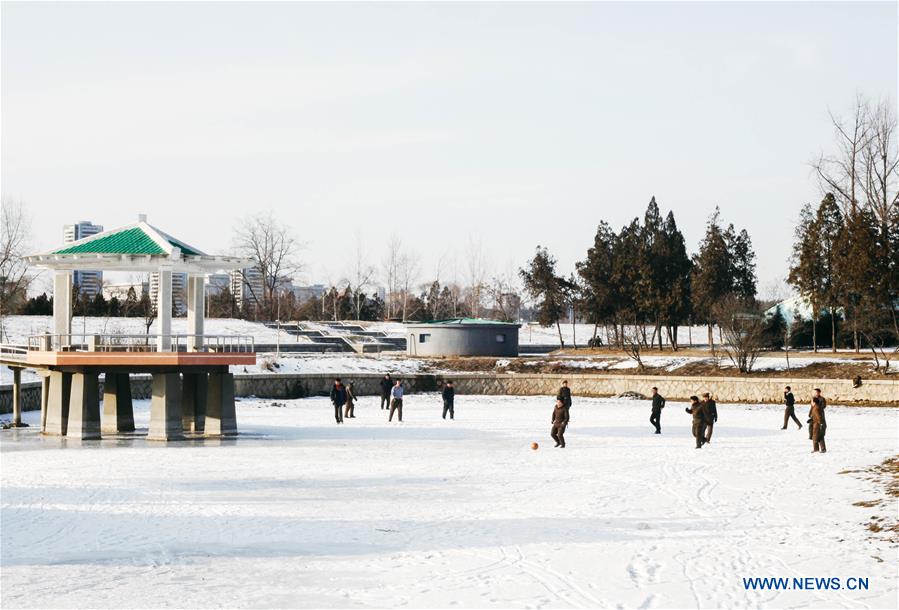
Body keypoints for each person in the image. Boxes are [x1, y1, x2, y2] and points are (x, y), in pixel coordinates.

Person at [810, 388, 827, 453]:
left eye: (816, 392)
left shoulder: (822, 399)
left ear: (819, 392)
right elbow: (812, 408)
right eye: (814, 392)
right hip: (814, 418)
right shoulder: (813, 398)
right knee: (818, 435)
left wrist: (816, 406)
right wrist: (810, 415)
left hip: (819, 419)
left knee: (816, 435)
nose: (815, 393)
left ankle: (817, 449)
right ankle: (820, 449)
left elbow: (823, 407)